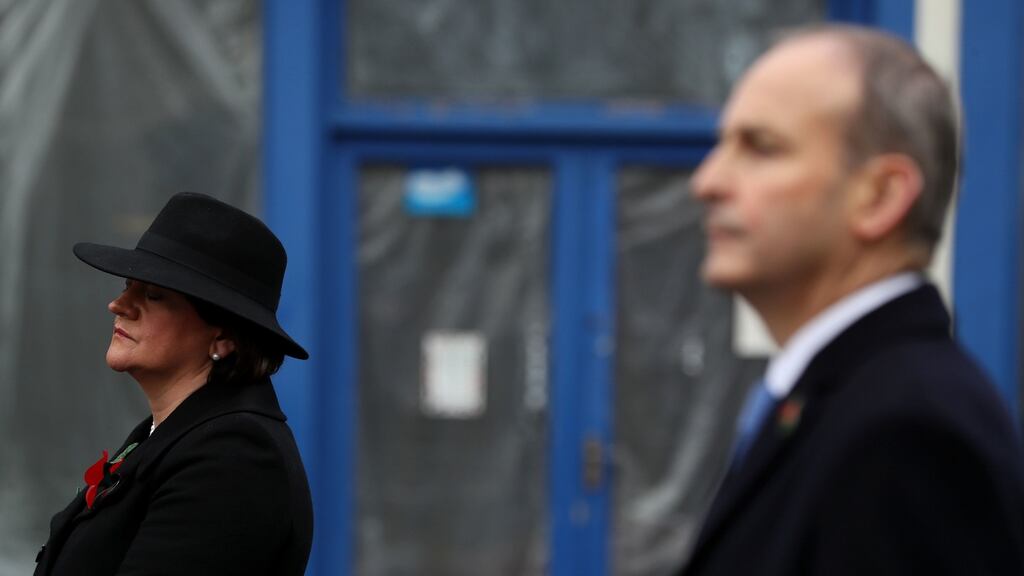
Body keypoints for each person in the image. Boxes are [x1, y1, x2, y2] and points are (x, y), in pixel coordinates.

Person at [681, 24, 1024, 575]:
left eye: (760, 147)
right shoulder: (837, 399)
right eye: (722, 145)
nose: (708, 181)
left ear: (881, 196)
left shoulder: (908, 432)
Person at [34, 192, 314, 576]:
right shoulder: (171, 435)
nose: (120, 305)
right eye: (127, 286)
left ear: (224, 336)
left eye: (153, 294)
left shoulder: (234, 456)